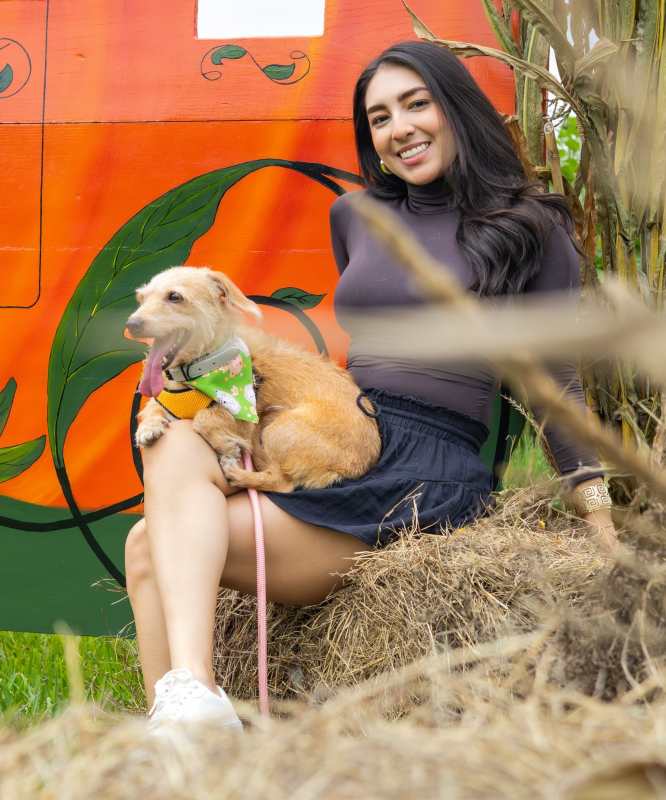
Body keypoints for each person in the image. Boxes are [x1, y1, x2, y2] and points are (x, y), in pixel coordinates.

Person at [124, 40, 615, 728]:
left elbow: (556, 382)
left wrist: (599, 518)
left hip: (424, 468)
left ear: (457, 109)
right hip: (347, 423)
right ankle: (187, 717)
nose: (400, 127)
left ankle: (191, 715)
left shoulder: (531, 226)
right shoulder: (354, 217)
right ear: (372, 140)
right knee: (166, 448)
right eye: (380, 117)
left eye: (417, 104)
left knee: (150, 546)